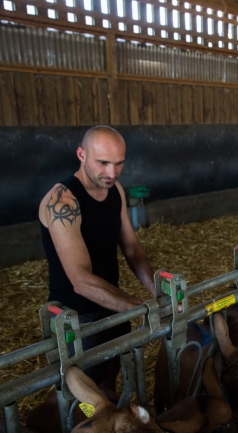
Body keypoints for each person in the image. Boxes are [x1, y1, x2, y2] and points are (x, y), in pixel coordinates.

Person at [39, 125, 157, 386]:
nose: (111, 172)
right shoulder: (62, 203)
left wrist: (156, 291)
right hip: (76, 318)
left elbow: (132, 248)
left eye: (119, 164)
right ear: (81, 154)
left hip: (112, 304)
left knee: (110, 379)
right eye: (103, 163)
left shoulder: (114, 191)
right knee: (85, 396)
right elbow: (80, 280)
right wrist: (138, 307)